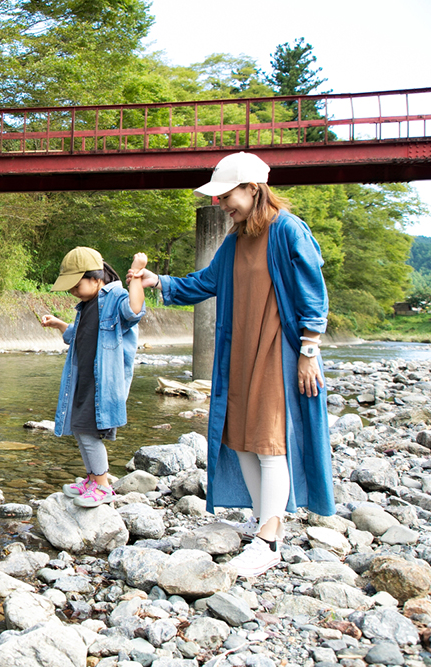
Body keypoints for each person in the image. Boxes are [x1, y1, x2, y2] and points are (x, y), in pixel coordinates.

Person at [130, 151, 335, 577]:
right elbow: (206, 282)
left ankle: (270, 538)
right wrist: (158, 282)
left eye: (226, 195)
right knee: (238, 437)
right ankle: (264, 520)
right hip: (237, 350)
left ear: (252, 189)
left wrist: (309, 351)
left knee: (268, 440)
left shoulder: (288, 230)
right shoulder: (236, 239)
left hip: (277, 349)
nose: (221, 204)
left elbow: (313, 291)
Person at [41, 247, 148, 507]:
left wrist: (136, 273)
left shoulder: (115, 297)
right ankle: (91, 479)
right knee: (80, 429)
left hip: (104, 383)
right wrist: (58, 323)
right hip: (83, 380)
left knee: (90, 433)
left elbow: (134, 310)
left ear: (97, 278)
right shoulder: (86, 306)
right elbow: (75, 335)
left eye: (76, 284)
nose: (73, 291)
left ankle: (102, 486)